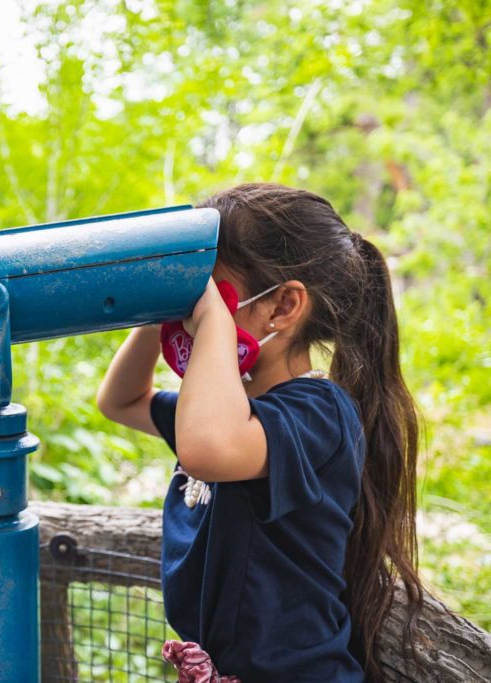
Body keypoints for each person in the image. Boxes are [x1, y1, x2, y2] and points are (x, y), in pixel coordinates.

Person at [96, 184, 423, 681]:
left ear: (283, 307)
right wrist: (158, 305)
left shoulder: (320, 412)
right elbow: (121, 402)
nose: (194, 312)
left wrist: (211, 324)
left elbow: (208, 449)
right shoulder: (228, 408)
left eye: (211, 292)